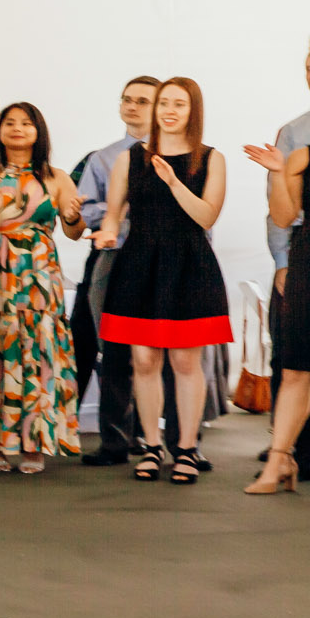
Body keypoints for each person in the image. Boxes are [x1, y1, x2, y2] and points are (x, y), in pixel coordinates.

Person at [93, 77, 232, 485]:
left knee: (186, 360)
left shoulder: (210, 158)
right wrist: (107, 230)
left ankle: (186, 448)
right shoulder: (129, 159)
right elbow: (114, 213)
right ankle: (152, 445)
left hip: (189, 262)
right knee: (144, 360)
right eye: (164, 103)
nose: (169, 110)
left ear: (193, 112)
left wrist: (172, 181)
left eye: (179, 104)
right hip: (139, 263)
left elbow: (206, 217)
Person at [0, 103, 83, 473]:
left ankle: (35, 443)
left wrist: (73, 217)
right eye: (10, 123)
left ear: (39, 131)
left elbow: (74, 229)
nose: (17, 129)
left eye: (26, 123)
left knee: (37, 351)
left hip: (39, 274)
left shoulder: (56, 177)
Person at [71, 76, 160, 465]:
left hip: (163, 259)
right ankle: (115, 441)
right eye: (127, 99)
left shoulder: (181, 156)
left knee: (165, 352)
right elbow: (88, 211)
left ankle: (166, 441)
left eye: (142, 100)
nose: (133, 106)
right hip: (116, 257)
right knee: (115, 349)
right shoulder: (103, 158)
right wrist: (117, 213)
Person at [245, 130, 310, 493]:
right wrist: (276, 172)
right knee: (296, 368)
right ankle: (278, 461)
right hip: (307, 262)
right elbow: (284, 217)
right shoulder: (301, 157)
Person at [262, 45, 310, 474]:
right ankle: (289, 450)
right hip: (303, 252)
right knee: (294, 356)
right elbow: (280, 208)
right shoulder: (294, 133)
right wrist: (282, 261)